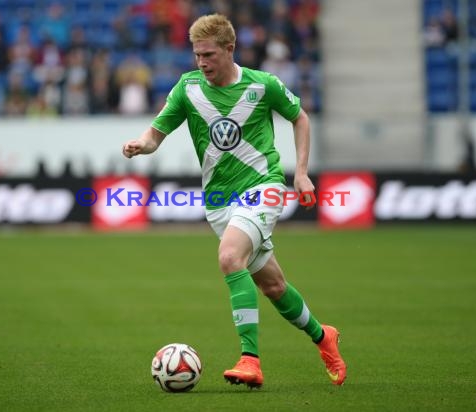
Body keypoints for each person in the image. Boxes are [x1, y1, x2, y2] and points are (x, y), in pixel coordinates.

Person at [122, 14, 346, 388]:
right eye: (196, 55)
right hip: (220, 201)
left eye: (208, 54)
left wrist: (302, 172)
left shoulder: (262, 85)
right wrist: (140, 145)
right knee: (273, 286)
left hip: (264, 186)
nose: (201, 62)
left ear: (230, 49)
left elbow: (300, 117)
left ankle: (250, 360)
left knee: (229, 258)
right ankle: (325, 337)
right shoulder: (188, 88)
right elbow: (155, 133)